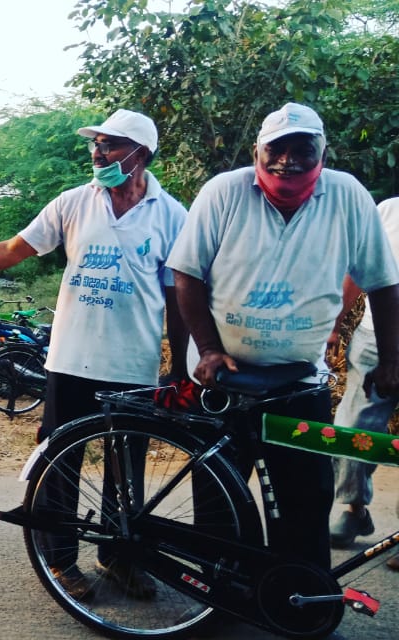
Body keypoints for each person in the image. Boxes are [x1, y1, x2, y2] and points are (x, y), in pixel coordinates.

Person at [0, 109, 189, 600]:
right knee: (61, 462)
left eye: (110, 145)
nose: (98, 153)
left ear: (141, 153)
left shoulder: (172, 215)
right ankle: (60, 560)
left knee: (127, 470)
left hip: (133, 365)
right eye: (96, 144)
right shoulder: (75, 202)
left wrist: (181, 368)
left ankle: (119, 558)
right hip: (70, 359)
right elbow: (10, 251)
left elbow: (178, 297)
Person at [167, 103, 399, 571]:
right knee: (219, 495)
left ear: (323, 153)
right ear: (257, 150)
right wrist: (208, 349)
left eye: (302, 149)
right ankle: (222, 591)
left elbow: (382, 283)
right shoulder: (224, 191)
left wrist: (392, 359)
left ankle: (299, 595)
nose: (287, 160)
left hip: (299, 380)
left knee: (306, 498)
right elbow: (186, 273)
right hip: (223, 377)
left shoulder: (347, 196)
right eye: (276, 148)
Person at [325, 196, 399, 569]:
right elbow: (357, 270)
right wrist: (335, 322)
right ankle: (355, 509)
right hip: (373, 340)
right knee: (351, 431)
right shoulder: (388, 211)